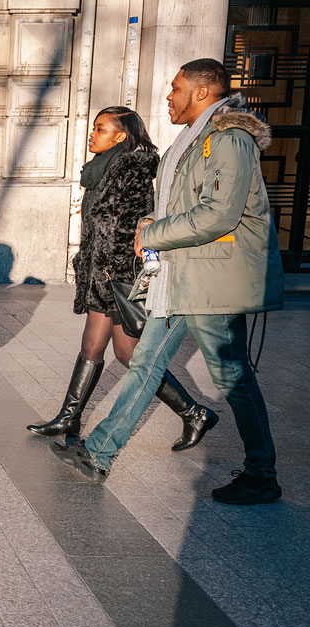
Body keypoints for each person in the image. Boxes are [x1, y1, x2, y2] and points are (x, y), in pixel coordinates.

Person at [54, 59, 284, 506]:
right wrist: (152, 221)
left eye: (176, 88)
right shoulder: (194, 138)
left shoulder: (229, 139)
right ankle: (98, 454)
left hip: (212, 279)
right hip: (181, 274)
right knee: (144, 363)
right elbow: (181, 204)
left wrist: (152, 232)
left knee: (233, 376)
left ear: (201, 92)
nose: (168, 95)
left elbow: (220, 213)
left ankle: (262, 474)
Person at [27, 106, 217, 451]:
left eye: (100, 129)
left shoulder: (134, 170)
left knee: (129, 354)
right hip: (102, 275)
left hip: (118, 276)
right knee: (92, 347)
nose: (92, 134)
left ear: (121, 135)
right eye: (94, 128)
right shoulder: (104, 168)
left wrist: (110, 269)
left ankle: (193, 413)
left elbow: (131, 227)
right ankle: (69, 417)